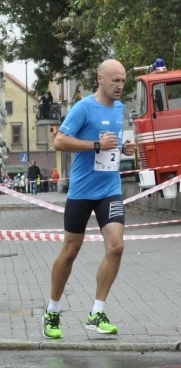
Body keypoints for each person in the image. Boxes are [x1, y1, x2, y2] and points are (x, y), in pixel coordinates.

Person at [43, 59, 136, 339]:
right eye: (115, 80)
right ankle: (52, 310)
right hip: (82, 191)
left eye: (123, 81)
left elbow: (111, 145)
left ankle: (97, 312)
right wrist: (96, 144)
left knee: (116, 246)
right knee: (71, 251)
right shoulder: (83, 108)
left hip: (110, 189)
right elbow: (59, 141)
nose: (120, 86)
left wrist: (124, 148)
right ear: (100, 79)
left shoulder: (120, 108)